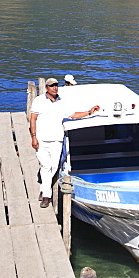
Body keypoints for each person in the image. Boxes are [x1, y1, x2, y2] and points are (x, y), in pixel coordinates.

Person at [29, 77, 99, 208]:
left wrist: (89, 112)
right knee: (45, 166)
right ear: (46, 88)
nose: (54, 88)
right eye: (51, 86)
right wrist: (33, 137)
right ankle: (46, 196)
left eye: (56, 85)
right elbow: (32, 119)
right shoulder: (38, 101)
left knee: (54, 166)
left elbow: (73, 115)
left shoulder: (62, 102)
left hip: (57, 139)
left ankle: (44, 188)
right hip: (41, 139)